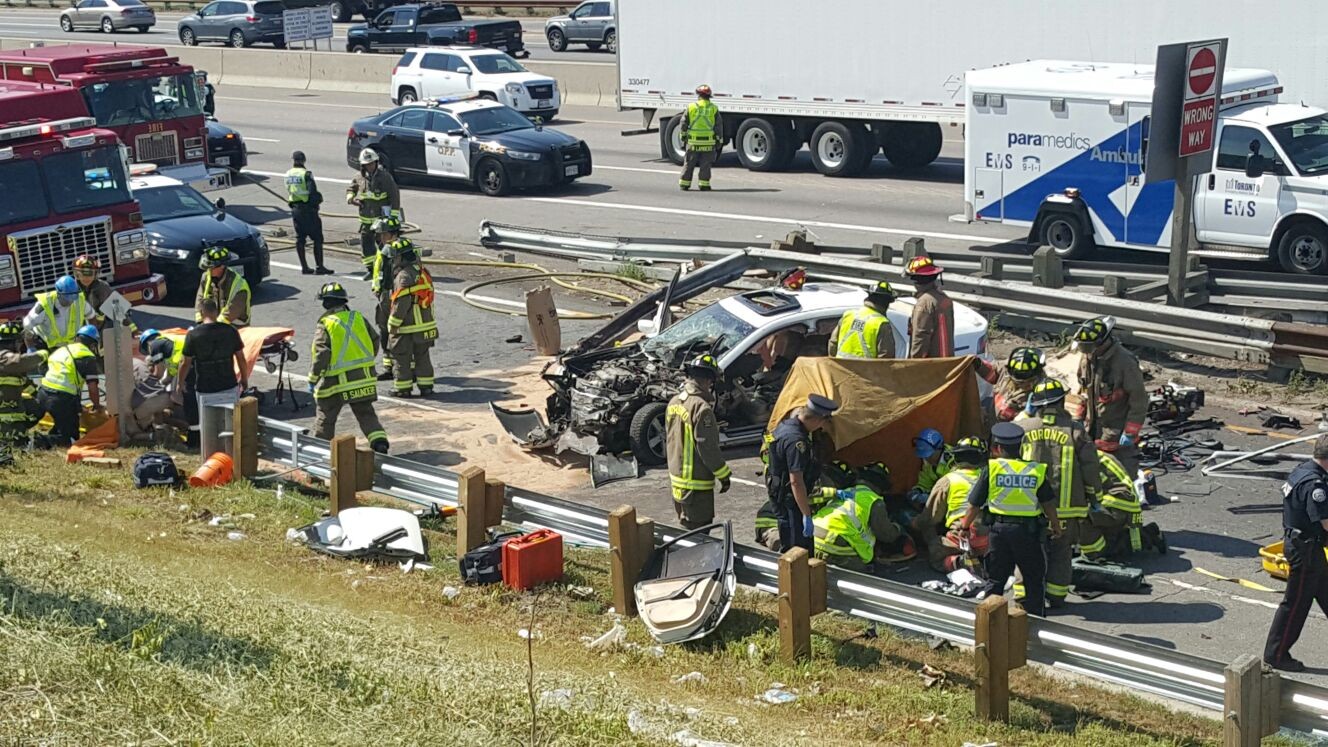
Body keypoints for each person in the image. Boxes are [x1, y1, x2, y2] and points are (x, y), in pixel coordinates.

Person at [959, 421, 1062, 617]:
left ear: (997, 448)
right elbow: (1048, 503)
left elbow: (975, 504)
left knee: (996, 580)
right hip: (1028, 534)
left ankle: (988, 625)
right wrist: (1055, 525)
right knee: (1033, 580)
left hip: (999, 532)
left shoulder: (992, 469)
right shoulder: (1035, 470)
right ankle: (1034, 624)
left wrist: (964, 527)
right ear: (1021, 447)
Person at [1020, 377, 1099, 610]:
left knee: (1029, 552)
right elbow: (1091, 468)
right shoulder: (1076, 431)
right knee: (1061, 554)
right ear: (1062, 401)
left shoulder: (1023, 429)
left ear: (1036, 403)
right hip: (1067, 510)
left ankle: (1025, 597)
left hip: (1029, 508)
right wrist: (1094, 497)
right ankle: (1055, 597)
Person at [1263, 434, 1328, 672]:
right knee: (1295, 606)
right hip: (1305, 551)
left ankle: (1276, 652)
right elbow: (1324, 521)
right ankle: (1276, 654)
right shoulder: (1315, 485)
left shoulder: (1301, 471)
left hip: (1307, 547)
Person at [308, 282, 389, 454]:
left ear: (326, 303)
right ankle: (379, 442)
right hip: (362, 379)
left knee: (325, 417)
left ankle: (319, 452)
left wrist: (313, 378)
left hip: (335, 383)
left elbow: (321, 354)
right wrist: (363, 361)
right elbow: (374, 340)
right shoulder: (357, 317)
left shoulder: (326, 323)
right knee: (366, 413)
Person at [1071, 316, 1147, 476]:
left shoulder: (1124, 362)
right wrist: (1079, 416)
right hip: (1091, 427)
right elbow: (1084, 390)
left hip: (1115, 430)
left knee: (1121, 474)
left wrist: (1130, 432)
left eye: (1089, 347)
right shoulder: (1089, 357)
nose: (1086, 352)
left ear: (1102, 342)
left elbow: (1139, 400)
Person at [765, 394, 839, 552]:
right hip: (790, 499)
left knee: (794, 544)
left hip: (782, 492)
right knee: (796, 550)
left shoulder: (786, 425)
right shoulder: (796, 441)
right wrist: (806, 514)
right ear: (818, 420)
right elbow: (796, 481)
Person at [665, 354, 732, 530]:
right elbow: (707, 447)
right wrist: (723, 475)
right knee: (699, 535)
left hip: (677, 483)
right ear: (708, 380)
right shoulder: (701, 408)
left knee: (686, 528)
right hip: (696, 486)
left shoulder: (674, 402)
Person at [813, 461, 914, 571]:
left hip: (814, 538)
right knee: (864, 571)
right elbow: (885, 533)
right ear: (880, 486)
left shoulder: (845, 491)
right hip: (836, 544)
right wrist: (899, 530)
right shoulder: (874, 500)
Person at [177, 298, 248, 447]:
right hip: (229, 385)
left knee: (208, 426)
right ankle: (230, 453)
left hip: (206, 388)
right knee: (230, 425)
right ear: (216, 311)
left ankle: (211, 454)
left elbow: (185, 363)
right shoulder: (230, 331)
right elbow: (241, 358)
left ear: (201, 313)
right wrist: (244, 379)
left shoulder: (193, 335)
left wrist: (180, 383)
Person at [916, 436, 988, 573]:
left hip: (961, 537)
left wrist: (915, 524)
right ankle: (984, 560)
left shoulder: (948, 480)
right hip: (988, 538)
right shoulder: (989, 477)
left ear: (956, 457)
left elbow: (930, 517)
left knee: (936, 552)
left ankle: (958, 563)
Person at [1080, 448, 1166, 559]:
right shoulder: (1090, 453)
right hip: (1120, 504)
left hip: (1116, 505)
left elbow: (1089, 490)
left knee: (1080, 516)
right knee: (1111, 536)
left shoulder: (1082, 461)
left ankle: (1094, 553)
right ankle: (1148, 533)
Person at [756, 460, 854, 551]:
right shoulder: (794, 476)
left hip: (782, 514)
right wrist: (834, 492)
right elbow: (803, 495)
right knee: (792, 548)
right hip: (770, 523)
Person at [34, 325, 102, 447]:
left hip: (43, 393)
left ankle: (50, 435)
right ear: (93, 345)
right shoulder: (86, 356)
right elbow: (93, 387)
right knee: (71, 438)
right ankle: (40, 442)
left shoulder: (62, 350)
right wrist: (97, 406)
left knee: (62, 421)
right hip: (61, 398)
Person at [386, 236, 437, 397]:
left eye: (394, 256)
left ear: (400, 257)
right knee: (423, 356)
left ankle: (403, 388)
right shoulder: (421, 271)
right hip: (426, 323)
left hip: (408, 325)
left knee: (401, 357)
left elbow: (401, 302)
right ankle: (426, 387)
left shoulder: (403, 276)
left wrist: (393, 324)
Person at [346, 148, 401, 280]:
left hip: (381, 220)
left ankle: (388, 269)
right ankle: (371, 270)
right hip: (366, 220)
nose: (370, 166)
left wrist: (392, 218)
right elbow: (351, 188)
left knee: (385, 246)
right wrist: (350, 198)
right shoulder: (359, 177)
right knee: (366, 247)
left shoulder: (385, 177)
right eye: (367, 164)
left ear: (376, 162)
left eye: (372, 163)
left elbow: (394, 196)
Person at [370, 216, 406, 382]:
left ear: (392, 233)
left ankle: (402, 368)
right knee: (384, 331)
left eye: (383, 234)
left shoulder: (399, 250)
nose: (380, 237)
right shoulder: (383, 248)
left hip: (393, 296)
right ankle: (388, 367)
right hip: (383, 295)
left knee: (395, 332)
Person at [0, 320, 47, 446]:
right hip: (5, 410)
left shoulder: (12, 366)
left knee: (35, 407)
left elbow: (25, 382)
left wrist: (40, 396)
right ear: (16, 342)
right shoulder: (5, 358)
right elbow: (20, 362)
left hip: (11, 407)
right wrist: (42, 355)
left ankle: (17, 435)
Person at [286, 150, 331, 276]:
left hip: (295, 209)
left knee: (300, 239)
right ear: (304, 160)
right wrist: (318, 201)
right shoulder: (306, 174)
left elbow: (290, 190)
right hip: (308, 210)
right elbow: (312, 192)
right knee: (317, 238)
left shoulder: (288, 174)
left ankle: (304, 267)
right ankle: (319, 266)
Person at [23, 275, 96, 351]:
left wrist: (92, 336)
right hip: (47, 346)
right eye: (67, 298)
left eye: (73, 297)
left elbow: (92, 316)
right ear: (59, 294)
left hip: (72, 346)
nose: (70, 301)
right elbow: (27, 326)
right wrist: (30, 347)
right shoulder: (44, 305)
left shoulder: (79, 302)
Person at [828, 281, 897, 359]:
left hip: (841, 369)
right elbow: (885, 357)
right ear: (886, 303)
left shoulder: (848, 315)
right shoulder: (882, 323)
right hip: (865, 370)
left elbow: (833, 343)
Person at [905, 256, 954, 359]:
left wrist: (913, 364)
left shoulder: (924, 304)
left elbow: (920, 338)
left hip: (931, 367)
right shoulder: (944, 298)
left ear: (916, 280)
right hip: (948, 363)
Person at [678, 84, 723, 192]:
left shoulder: (691, 107)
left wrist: (683, 137)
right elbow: (718, 127)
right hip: (708, 143)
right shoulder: (713, 109)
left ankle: (684, 184)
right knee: (705, 165)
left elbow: (683, 123)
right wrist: (719, 141)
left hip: (693, 142)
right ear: (709, 96)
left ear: (698, 95)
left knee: (689, 163)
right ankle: (704, 184)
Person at [195, 246, 251, 328]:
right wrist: (200, 322)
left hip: (236, 328)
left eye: (211, 267)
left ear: (222, 266)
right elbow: (200, 298)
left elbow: (232, 311)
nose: (209, 270)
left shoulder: (238, 285)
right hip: (215, 324)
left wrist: (213, 327)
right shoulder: (206, 276)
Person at [993, 347, 1046, 423]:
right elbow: (993, 371)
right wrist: (978, 364)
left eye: (1025, 382)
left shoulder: (1042, 394)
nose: (1021, 385)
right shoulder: (1006, 372)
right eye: (1017, 382)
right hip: (993, 421)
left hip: (1013, 431)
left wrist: (1025, 417)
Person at [71, 255, 113, 329]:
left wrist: (132, 328)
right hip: (75, 333)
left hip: (99, 331)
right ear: (76, 274)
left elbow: (119, 311)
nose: (86, 278)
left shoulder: (103, 287)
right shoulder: (70, 290)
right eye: (83, 274)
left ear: (95, 274)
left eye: (90, 274)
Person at [910, 427, 952, 498]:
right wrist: (918, 490)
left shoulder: (954, 461)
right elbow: (925, 483)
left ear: (939, 449)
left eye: (929, 455)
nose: (926, 458)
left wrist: (931, 497)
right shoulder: (927, 464)